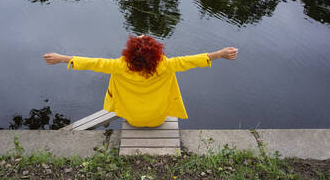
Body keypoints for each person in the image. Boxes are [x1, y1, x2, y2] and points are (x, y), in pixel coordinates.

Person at [43, 35, 238, 127]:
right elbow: (192, 60)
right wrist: (220, 54)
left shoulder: (119, 66)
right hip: (158, 120)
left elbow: (92, 63)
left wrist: (61, 58)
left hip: (133, 120)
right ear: (156, 53)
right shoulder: (167, 65)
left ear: (130, 54)